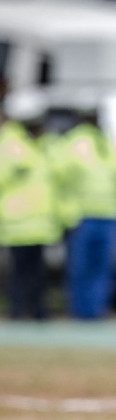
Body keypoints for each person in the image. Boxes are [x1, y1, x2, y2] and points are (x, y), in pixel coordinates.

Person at [53, 116, 116, 318]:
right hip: (82, 216)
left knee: (104, 266)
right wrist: (67, 213)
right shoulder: (72, 142)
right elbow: (59, 177)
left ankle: (97, 310)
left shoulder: (115, 142)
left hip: (111, 214)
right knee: (80, 266)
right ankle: (80, 311)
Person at [0, 119, 60, 319]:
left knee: (37, 271)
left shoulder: (46, 146)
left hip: (39, 223)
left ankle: (38, 310)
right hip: (17, 222)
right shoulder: (10, 145)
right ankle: (17, 311)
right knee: (19, 270)